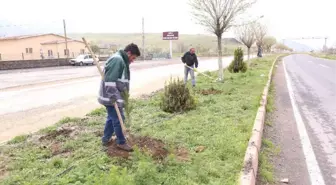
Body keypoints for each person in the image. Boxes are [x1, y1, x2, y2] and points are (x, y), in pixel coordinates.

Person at [98, 43, 141, 152]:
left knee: (111, 118)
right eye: (133, 57)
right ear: (129, 53)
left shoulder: (121, 60)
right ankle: (121, 142)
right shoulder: (118, 60)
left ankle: (105, 139)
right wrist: (114, 98)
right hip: (112, 98)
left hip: (113, 97)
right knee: (118, 119)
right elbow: (110, 82)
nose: (133, 60)